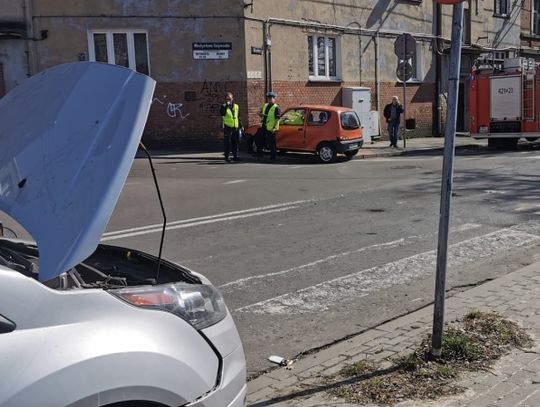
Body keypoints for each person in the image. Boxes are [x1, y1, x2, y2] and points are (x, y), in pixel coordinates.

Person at [257, 91, 281, 160]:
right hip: (264, 126)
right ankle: (260, 155)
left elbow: (277, 119)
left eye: (271, 98)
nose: (270, 99)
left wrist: (274, 128)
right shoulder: (265, 105)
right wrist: (260, 114)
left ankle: (273, 157)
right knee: (260, 140)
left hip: (271, 128)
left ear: (274, 99)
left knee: (271, 143)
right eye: (268, 98)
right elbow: (261, 113)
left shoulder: (276, 107)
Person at [220, 92, 242, 162]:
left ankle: (235, 156)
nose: (228, 100)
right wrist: (226, 106)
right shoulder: (223, 106)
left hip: (235, 126)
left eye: (229, 99)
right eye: (227, 99)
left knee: (235, 142)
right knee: (227, 142)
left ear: (232, 98)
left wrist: (241, 125)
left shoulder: (236, 106)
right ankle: (227, 157)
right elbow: (222, 113)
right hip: (228, 126)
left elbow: (238, 116)